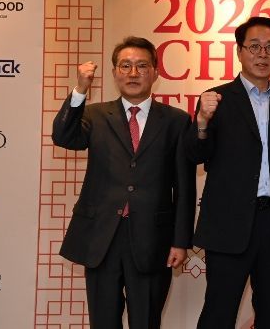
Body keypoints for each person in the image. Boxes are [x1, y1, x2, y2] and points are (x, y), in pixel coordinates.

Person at [52, 36, 194, 329]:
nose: (133, 73)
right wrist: (80, 90)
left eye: (142, 66)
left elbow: (184, 188)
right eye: (125, 66)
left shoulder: (176, 121)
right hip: (101, 237)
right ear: (114, 72)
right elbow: (63, 137)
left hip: (152, 239)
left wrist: (181, 241)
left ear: (155, 72)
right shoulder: (94, 114)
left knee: (146, 321)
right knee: (103, 322)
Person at [186, 16, 270, 329]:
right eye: (254, 46)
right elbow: (196, 155)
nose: (263, 54)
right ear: (239, 51)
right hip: (228, 225)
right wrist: (201, 122)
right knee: (218, 314)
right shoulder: (216, 99)